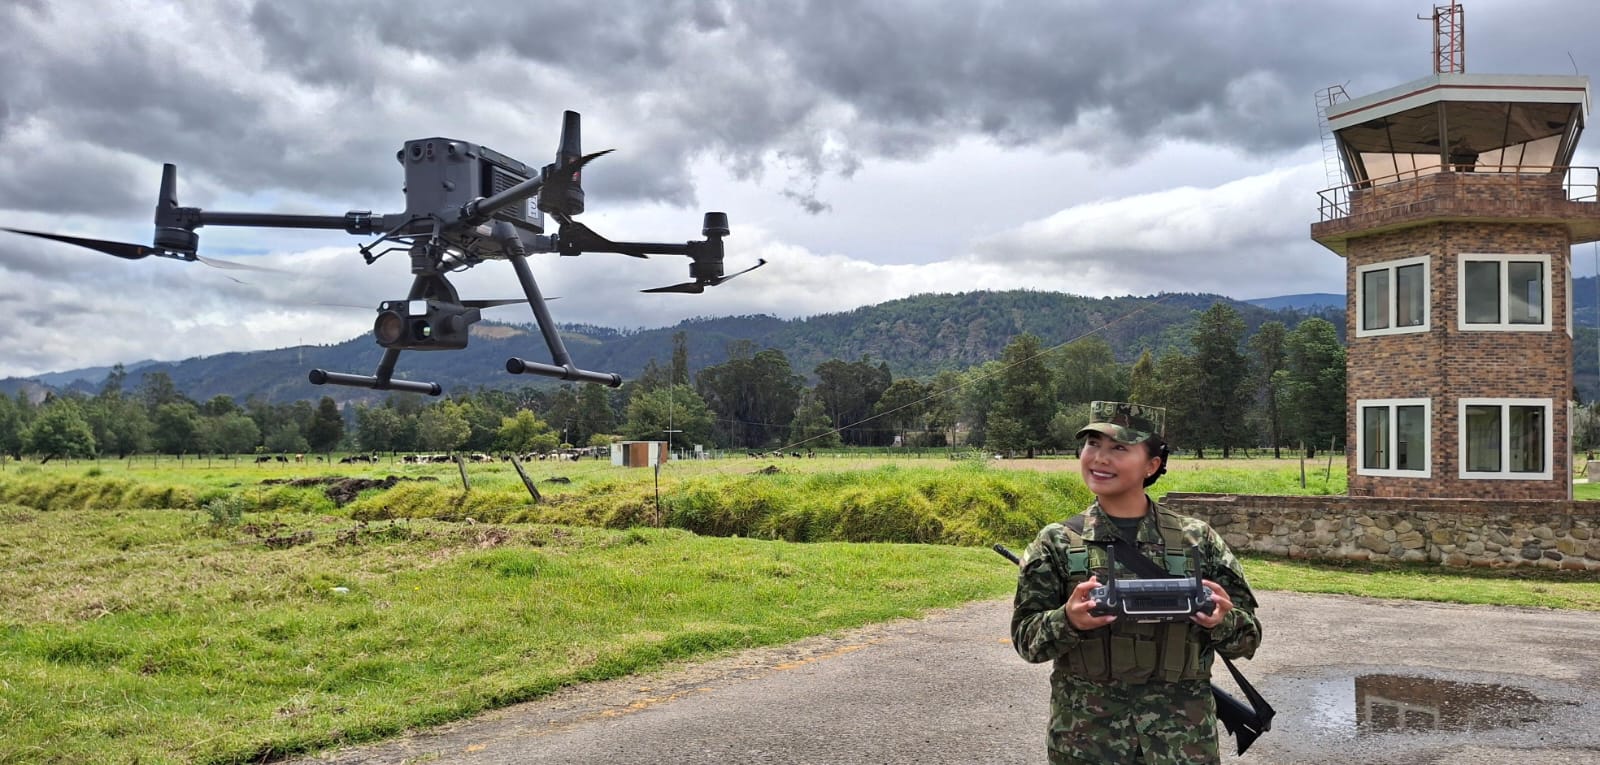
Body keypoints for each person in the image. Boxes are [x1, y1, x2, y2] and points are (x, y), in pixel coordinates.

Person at [1010, 401, 1262, 764]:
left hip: (1183, 746)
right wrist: (1069, 620)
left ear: (1152, 465)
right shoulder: (1058, 542)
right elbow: (1026, 641)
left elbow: (1249, 638)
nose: (1099, 458)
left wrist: (1223, 620)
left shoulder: (1197, 540)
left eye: (1119, 448)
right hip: (1087, 744)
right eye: (1092, 444)